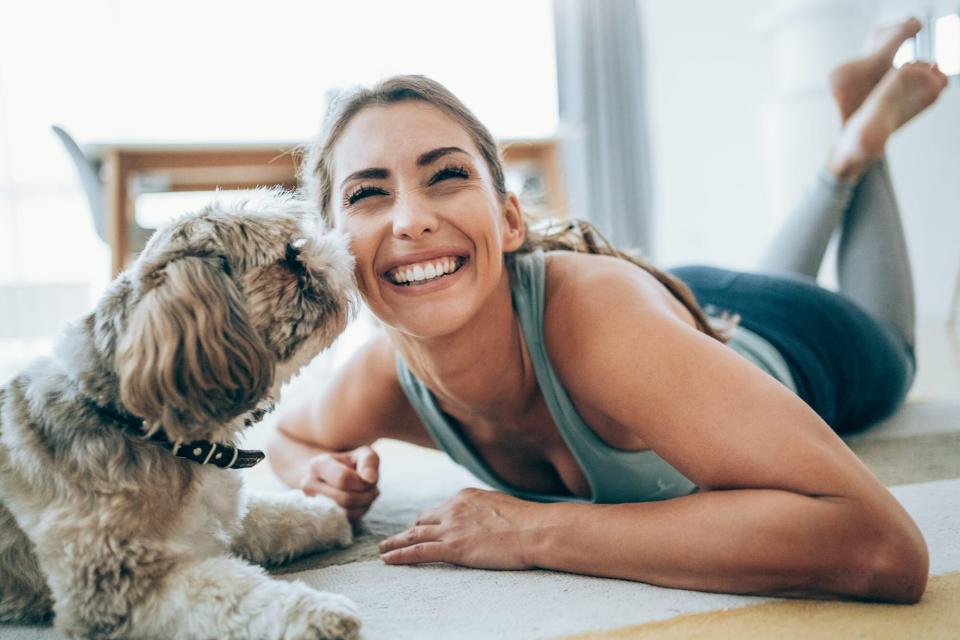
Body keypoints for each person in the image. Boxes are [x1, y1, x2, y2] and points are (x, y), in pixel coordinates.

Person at [268, 17, 948, 603]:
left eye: (446, 176)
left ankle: (860, 146)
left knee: (898, 350)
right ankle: (842, 147)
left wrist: (535, 531)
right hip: (686, 305)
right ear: (332, 249)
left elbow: (883, 547)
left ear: (509, 221)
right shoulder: (385, 375)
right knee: (742, 299)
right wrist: (317, 477)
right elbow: (289, 438)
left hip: (801, 341)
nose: (411, 220)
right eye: (367, 194)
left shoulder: (597, 319)